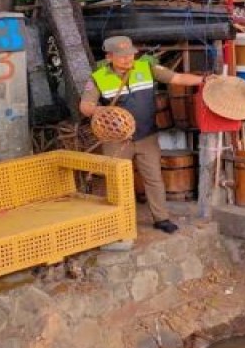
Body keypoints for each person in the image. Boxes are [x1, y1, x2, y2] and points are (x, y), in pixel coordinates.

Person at [79, 36, 207, 234]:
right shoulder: (98, 77)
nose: (128, 59)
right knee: (117, 180)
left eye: (130, 54)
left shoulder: (146, 67)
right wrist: (100, 111)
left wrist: (204, 80)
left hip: (147, 136)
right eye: (122, 56)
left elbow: (177, 78)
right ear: (109, 57)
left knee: (154, 178)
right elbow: (85, 106)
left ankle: (161, 218)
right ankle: (119, 221)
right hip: (117, 140)